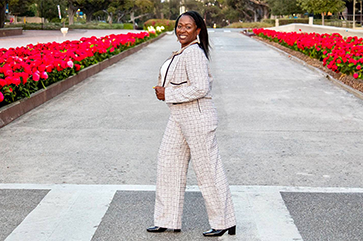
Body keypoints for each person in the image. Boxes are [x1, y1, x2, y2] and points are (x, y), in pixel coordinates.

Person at [147, 11, 236, 237]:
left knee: (208, 171)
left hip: (197, 118)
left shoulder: (194, 53)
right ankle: (167, 219)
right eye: (179, 26)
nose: (182, 30)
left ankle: (224, 221)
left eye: (188, 27)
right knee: (168, 163)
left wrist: (168, 93)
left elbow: (201, 88)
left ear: (198, 31)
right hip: (178, 117)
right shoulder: (182, 52)